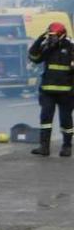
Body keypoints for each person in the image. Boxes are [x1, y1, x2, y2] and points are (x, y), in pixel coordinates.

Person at [27, 22, 74, 157]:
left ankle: (67, 146)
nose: (51, 38)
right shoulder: (47, 47)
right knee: (46, 119)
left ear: (61, 35)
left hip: (67, 92)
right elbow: (34, 57)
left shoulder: (71, 47)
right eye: (50, 36)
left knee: (66, 121)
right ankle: (44, 147)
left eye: (53, 36)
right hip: (48, 91)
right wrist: (41, 39)